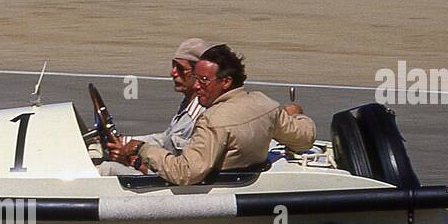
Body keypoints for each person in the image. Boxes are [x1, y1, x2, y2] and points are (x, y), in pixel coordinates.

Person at [105, 44, 315, 184]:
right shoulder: (265, 104)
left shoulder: (212, 120)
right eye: (196, 78)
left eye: (203, 80)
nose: (196, 86)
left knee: (105, 170)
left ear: (226, 82)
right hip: (240, 186)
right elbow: (304, 140)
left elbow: (185, 173)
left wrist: (143, 149)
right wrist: (297, 116)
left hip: (200, 195)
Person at [96, 37, 209, 176]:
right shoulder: (188, 105)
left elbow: (182, 170)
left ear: (199, 74)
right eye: (173, 66)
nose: (172, 73)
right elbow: (166, 139)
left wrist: (134, 161)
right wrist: (124, 142)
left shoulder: (199, 117)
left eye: (180, 68)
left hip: (167, 182)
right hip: (161, 172)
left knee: (104, 169)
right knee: (96, 151)